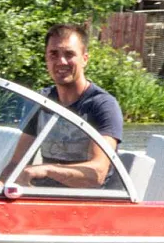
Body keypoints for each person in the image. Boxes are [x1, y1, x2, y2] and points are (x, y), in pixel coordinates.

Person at [8, 23, 123, 188]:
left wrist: (47, 170)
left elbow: (97, 174)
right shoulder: (41, 101)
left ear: (84, 59)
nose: (61, 61)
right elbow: (16, 164)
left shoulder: (102, 105)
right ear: (46, 59)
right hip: (44, 197)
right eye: (53, 54)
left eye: (69, 54)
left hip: (88, 202)